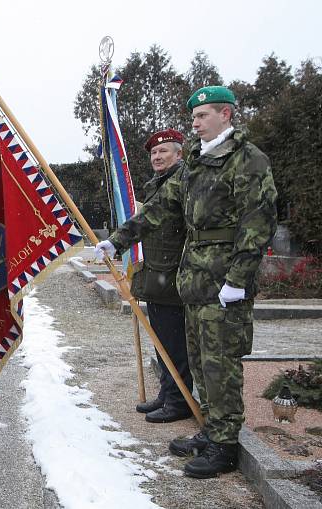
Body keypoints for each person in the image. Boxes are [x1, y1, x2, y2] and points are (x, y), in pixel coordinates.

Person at [96, 86, 277, 478]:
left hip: (224, 279)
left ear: (225, 115)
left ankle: (225, 445)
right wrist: (119, 239)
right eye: (193, 117)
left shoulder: (246, 160)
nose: (194, 123)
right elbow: (160, 209)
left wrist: (239, 279)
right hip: (193, 280)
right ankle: (211, 431)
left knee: (220, 365)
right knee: (198, 360)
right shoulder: (196, 162)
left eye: (203, 116)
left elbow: (258, 222)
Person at [127, 129, 193, 424]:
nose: (157, 156)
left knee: (174, 343)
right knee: (162, 340)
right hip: (157, 275)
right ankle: (168, 393)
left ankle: (179, 400)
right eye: (154, 153)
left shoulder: (182, 181)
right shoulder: (159, 183)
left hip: (173, 275)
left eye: (164, 151)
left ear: (179, 154)